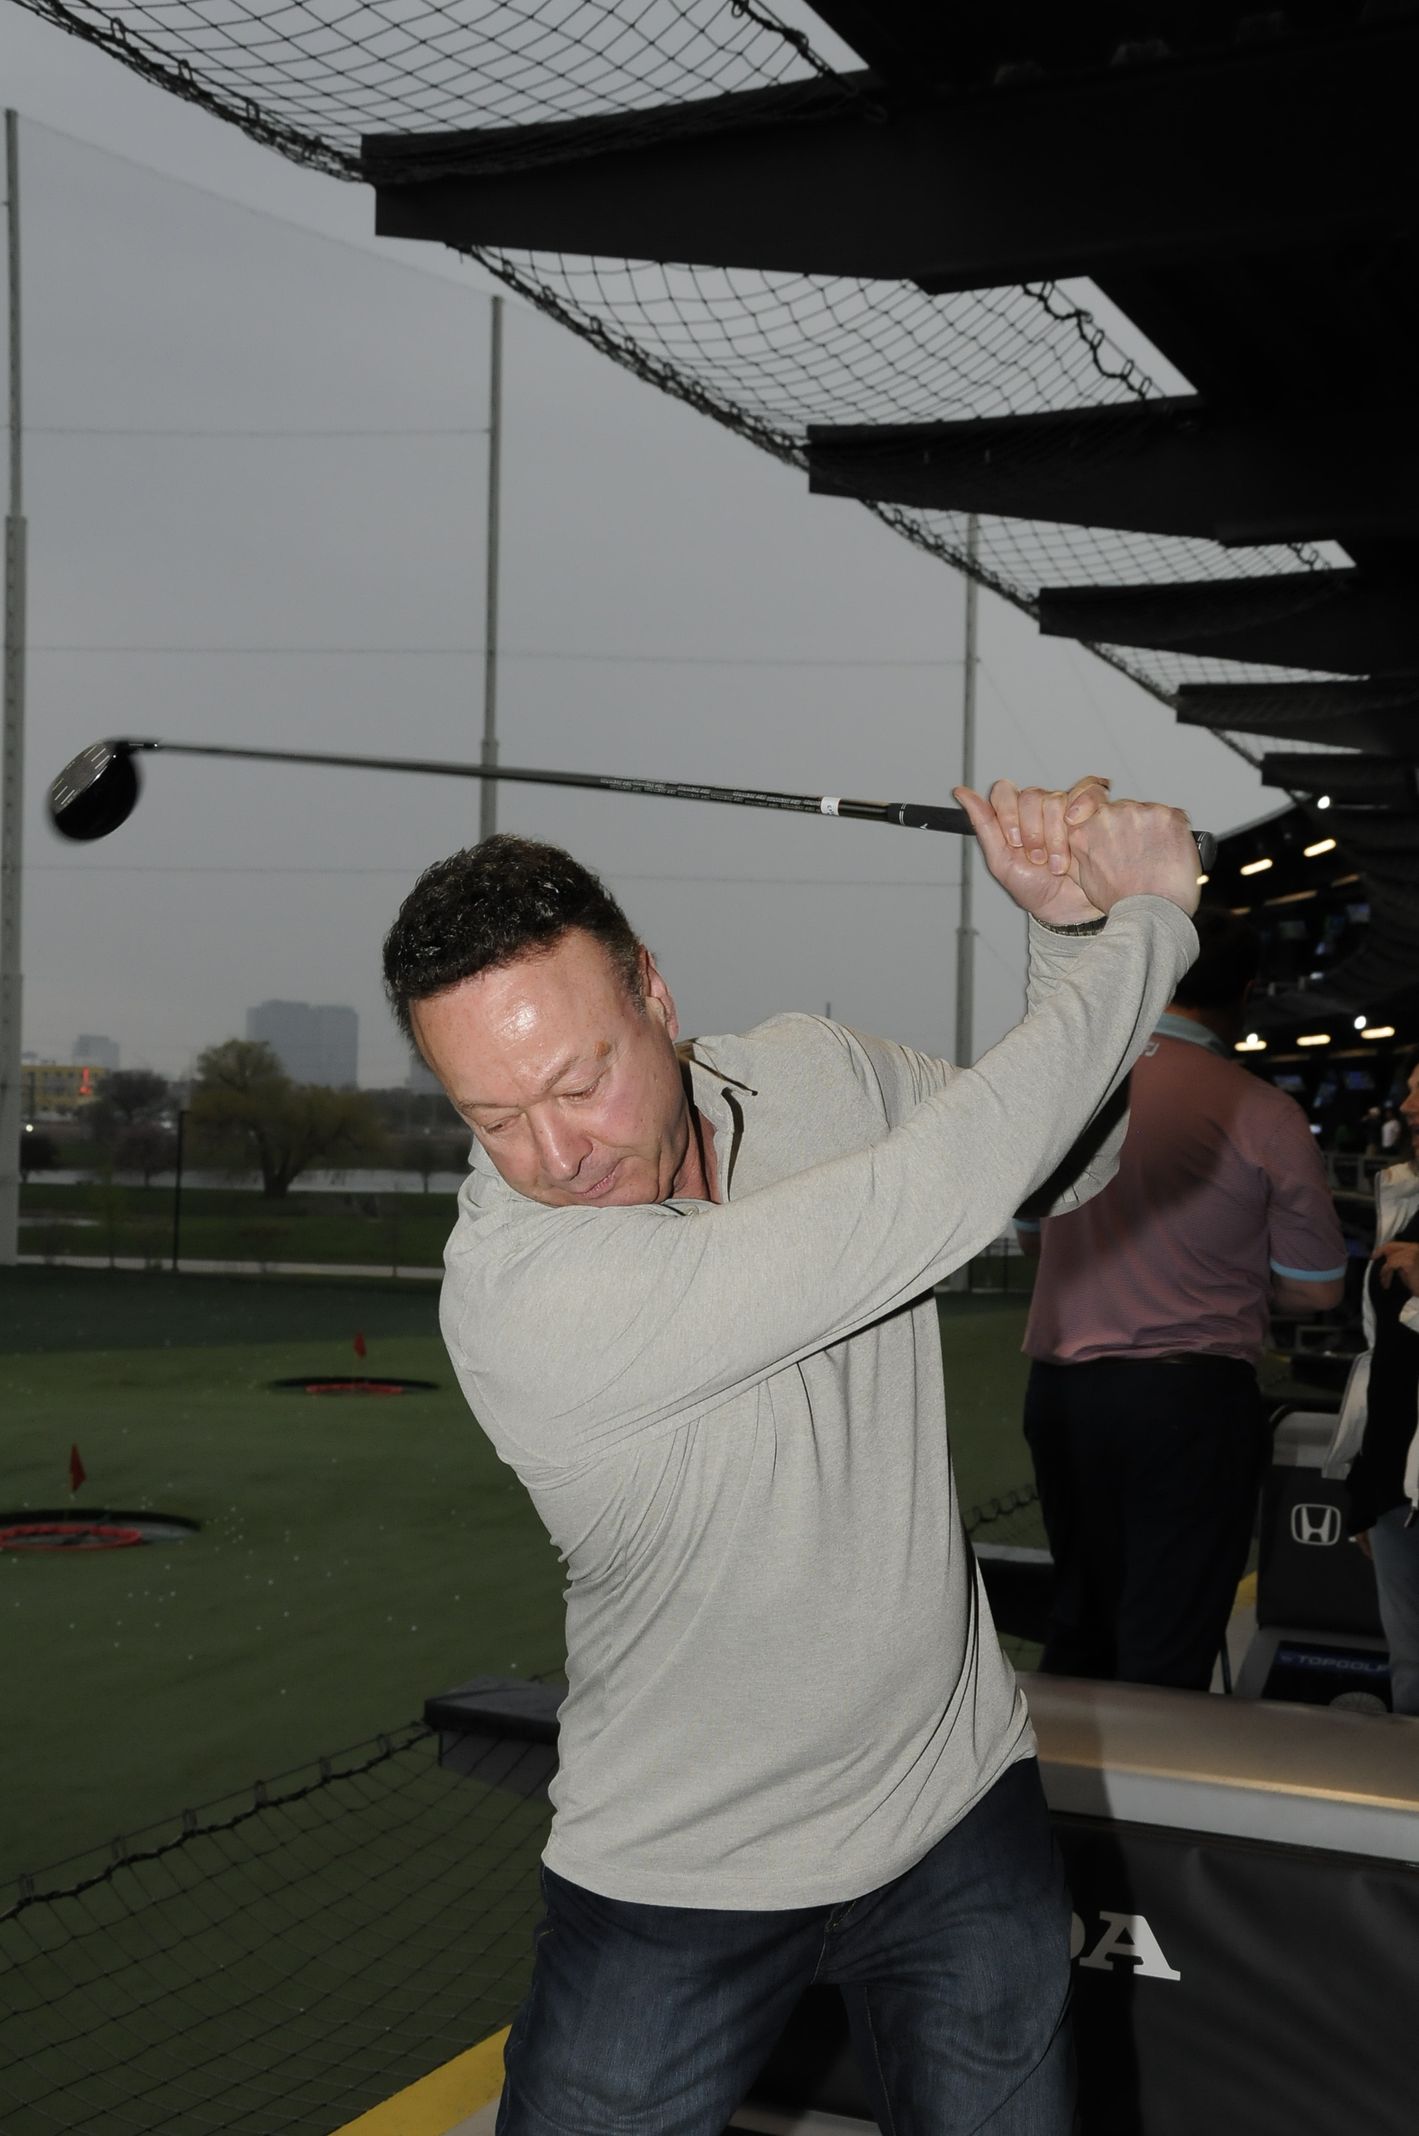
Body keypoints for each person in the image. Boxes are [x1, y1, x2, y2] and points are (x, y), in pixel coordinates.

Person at [381, 776, 1202, 2136]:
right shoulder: (523, 1297)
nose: (554, 1152)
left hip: (947, 1802)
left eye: (576, 1081)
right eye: (493, 1117)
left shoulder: (814, 1072)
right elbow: (930, 1200)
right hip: (678, 1866)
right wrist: (1144, 929)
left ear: (652, 988)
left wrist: (1064, 936)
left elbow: (1062, 1165)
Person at [1016, 909, 1346, 1691]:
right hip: (1187, 1401)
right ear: (1246, 990)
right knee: (1164, 1642)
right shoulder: (1261, 1111)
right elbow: (1318, 1287)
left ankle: (1060, 1808)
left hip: (1061, 1397)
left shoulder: (1076, 1085)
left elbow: (1034, 1237)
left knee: (1079, 1623)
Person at [1324, 1054, 1419, 1714]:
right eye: (1409, 1092)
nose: (1406, 1107)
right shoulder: (1405, 1194)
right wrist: (1368, 1480)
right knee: (1410, 1676)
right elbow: (1382, 1360)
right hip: (1397, 1491)